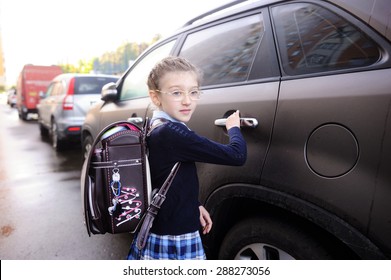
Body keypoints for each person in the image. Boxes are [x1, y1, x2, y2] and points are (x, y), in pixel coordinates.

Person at [127, 56, 247, 260]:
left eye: (193, 92)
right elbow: (237, 155)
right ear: (156, 97)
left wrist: (195, 205)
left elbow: (165, 177)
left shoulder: (155, 126)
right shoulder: (173, 133)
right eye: (176, 92)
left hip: (162, 227)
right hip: (175, 238)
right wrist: (233, 127)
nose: (187, 100)